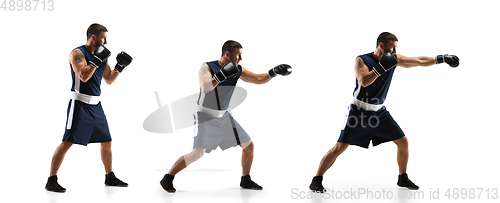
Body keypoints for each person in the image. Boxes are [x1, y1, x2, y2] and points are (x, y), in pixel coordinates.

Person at [309, 32, 459, 192]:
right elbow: (364, 81)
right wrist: (380, 68)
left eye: (396, 48)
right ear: (381, 45)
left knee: (403, 141)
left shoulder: (394, 59)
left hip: (380, 112)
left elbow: (417, 61)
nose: (395, 51)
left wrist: (441, 58)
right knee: (340, 147)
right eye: (392, 47)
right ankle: (316, 179)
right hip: (358, 112)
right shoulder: (361, 60)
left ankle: (402, 177)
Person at [160, 40, 292, 192]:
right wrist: (221, 75)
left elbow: (257, 79)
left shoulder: (238, 69)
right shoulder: (207, 66)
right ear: (227, 53)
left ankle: (245, 179)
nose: (240, 59)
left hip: (224, 116)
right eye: (238, 55)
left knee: (248, 146)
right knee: (197, 153)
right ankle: (168, 178)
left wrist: (273, 72)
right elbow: (205, 87)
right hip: (205, 116)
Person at [45, 23, 133, 192]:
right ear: (94, 37)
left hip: (96, 105)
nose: (106, 42)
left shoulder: (103, 55)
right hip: (79, 104)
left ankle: (109, 177)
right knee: (66, 142)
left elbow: (109, 79)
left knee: (107, 141)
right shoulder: (77, 53)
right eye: (103, 37)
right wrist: (96, 60)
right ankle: (51, 179)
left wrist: (119, 67)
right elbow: (83, 76)